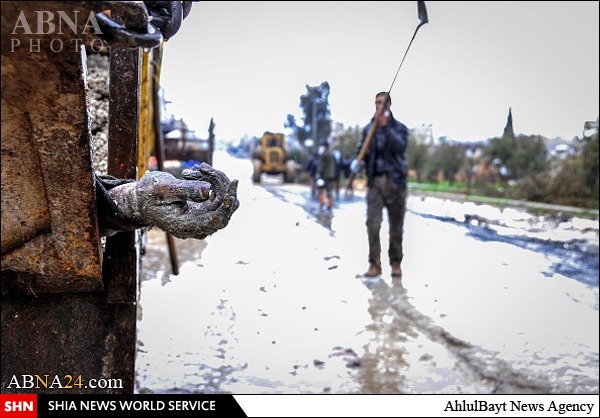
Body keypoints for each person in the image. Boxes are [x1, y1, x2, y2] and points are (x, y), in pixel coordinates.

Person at [351, 92, 409, 278]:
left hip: (396, 183)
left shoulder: (399, 128)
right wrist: (357, 159)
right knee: (373, 224)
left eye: (382, 103)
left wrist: (386, 128)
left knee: (396, 227)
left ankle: (396, 263)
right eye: (376, 102)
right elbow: (362, 148)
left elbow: (400, 147)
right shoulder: (369, 128)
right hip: (375, 183)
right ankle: (374, 265)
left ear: (389, 104)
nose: (378, 106)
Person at [315, 140, 337, 211]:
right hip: (331, 175)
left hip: (324, 175)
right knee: (330, 190)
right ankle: (329, 205)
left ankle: (322, 202)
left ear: (324, 146)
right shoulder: (332, 154)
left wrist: (318, 173)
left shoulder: (323, 154)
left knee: (320, 188)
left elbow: (321, 166)